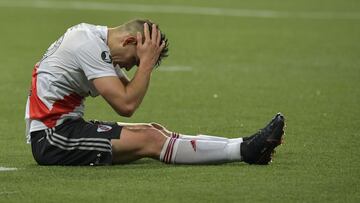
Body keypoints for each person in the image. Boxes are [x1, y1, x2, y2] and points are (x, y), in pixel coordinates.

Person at [25, 19, 285, 166]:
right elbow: (126, 104)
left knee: (155, 130)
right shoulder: (88, 44)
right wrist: (147, 63)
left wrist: (145, 60)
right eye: (134, 60)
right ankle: (244, 152)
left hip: (66, 129)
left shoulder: (93, 41)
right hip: (52, 138)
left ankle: (244, 146)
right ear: (129, 41)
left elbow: (128, 92)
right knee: (150, 139)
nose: (128, 67)